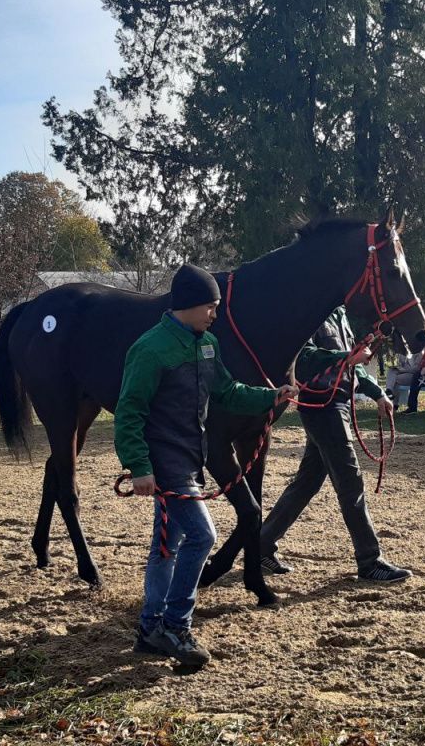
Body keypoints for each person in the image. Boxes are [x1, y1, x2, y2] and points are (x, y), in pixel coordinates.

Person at [115, 264, 296, 667]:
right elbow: (129, 411)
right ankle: (176, 625)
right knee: (202, 536)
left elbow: (228, 392)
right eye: (210, 306)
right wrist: (139, 465)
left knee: (167, 547)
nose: (214, 313)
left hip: (190, 460)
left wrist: (271, 397)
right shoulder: (150, 348)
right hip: (166, 463)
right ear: (188, 304)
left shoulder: (207, 344)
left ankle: (149, 630)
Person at [260, 306, 411, 584]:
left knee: (307, 483)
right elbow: (302, 358)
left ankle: (262, 545)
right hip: (322, 406)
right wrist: (346, 356)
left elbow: (351, 366)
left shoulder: (338, 315)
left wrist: (377, 393)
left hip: (335, 403)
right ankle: (369, 560)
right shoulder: (310, 314)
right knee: (349, 480)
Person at [384, 330, 425, 410]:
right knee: (391, 370)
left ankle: (394, 402)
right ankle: (389, 391)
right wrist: (397, 365)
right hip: (405, 373)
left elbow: (416, 370)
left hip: (415, 377)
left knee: (395, 380)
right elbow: (401, 362)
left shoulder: (423, 353)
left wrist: (402, 369)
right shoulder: (409, 350)